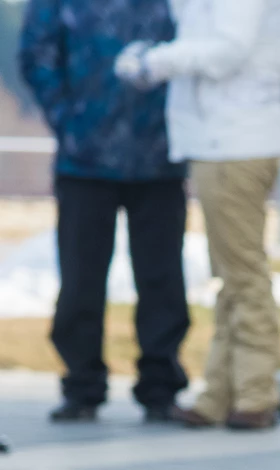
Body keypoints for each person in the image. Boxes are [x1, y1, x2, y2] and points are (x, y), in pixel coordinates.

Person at [115, 0, 280, 431]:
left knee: (243, 274)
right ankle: (220, 392)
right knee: (230, 274)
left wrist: (154, 63)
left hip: (233, 141)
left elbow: (228, 49)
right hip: (221, 141)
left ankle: (255, 393)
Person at [19, 0, 190, 424]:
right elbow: (36, 52)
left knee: (163, 279)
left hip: (160, 157)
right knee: (81, 279)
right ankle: (82, 386)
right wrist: (68, 118)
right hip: (84, 160)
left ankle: (160, 387)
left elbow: (195, 44)